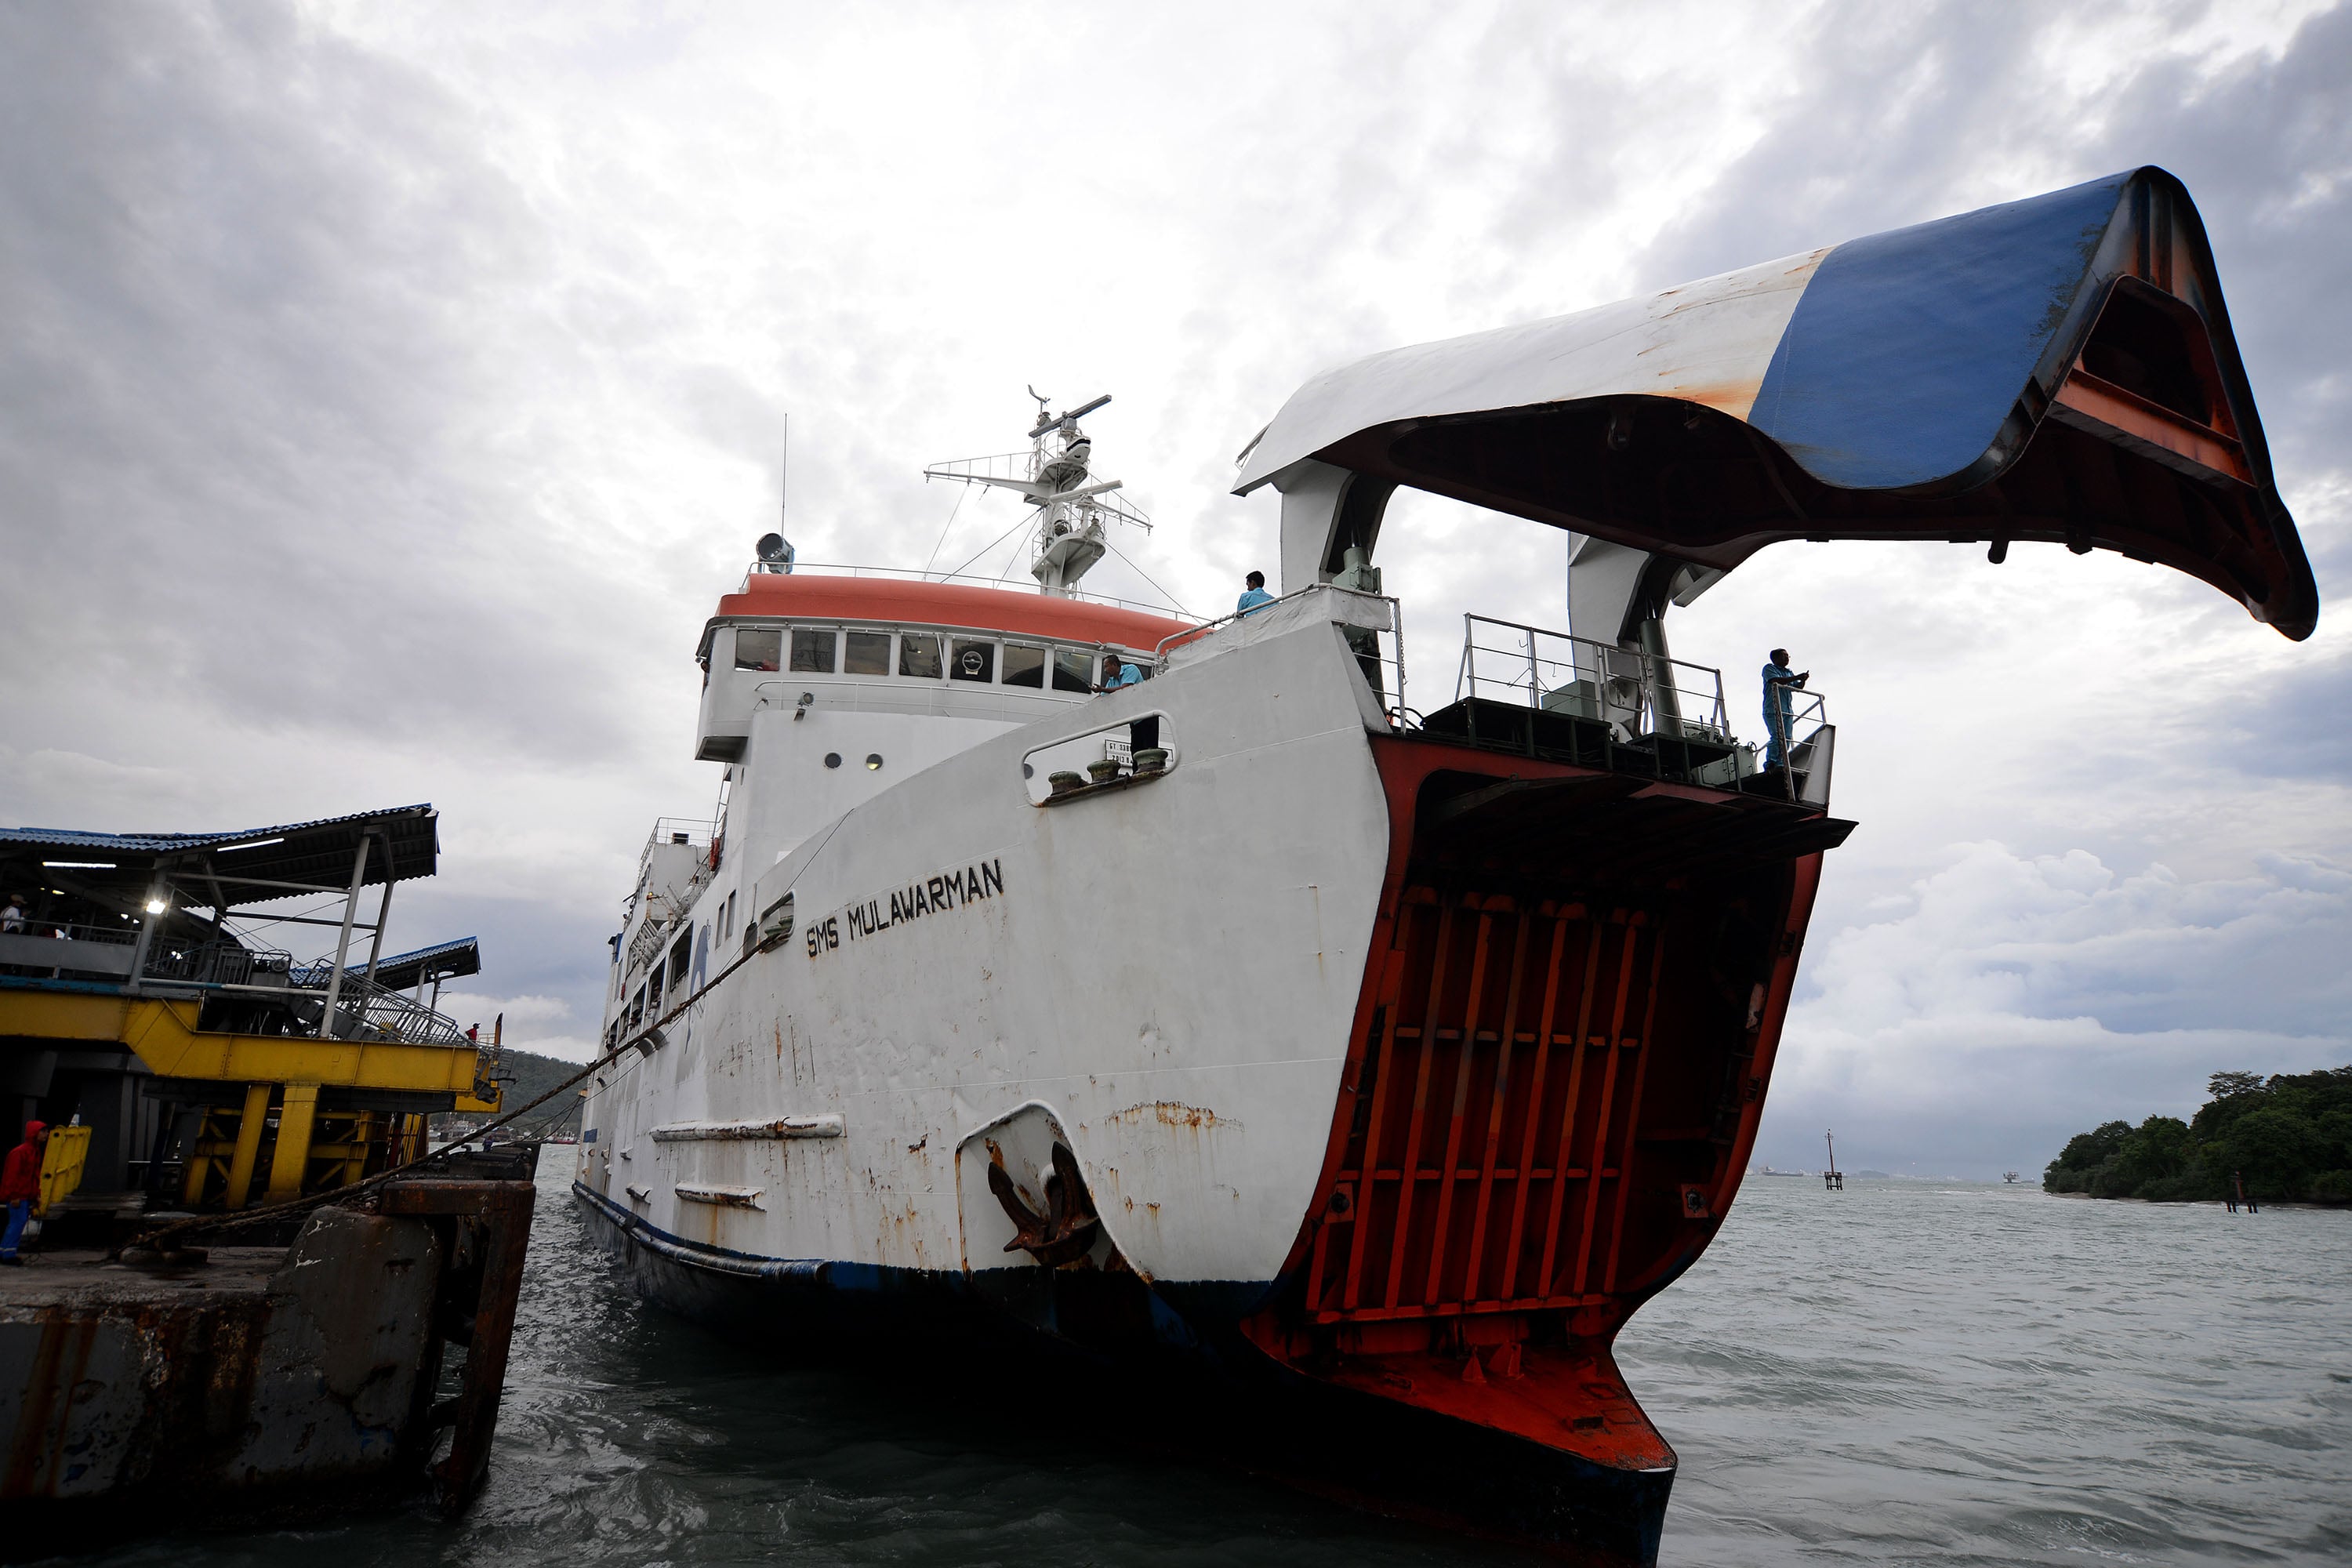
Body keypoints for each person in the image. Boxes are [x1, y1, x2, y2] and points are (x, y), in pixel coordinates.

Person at [2, 1121, 48, 1265]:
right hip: (19, 1196)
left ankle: (6, 1252)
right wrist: (14, 1196)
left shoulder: (33, 1151)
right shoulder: (21, 1152)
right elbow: (12, 1176)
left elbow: (34, 1176)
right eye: (43, 1131)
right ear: (35, 1133)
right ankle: (8, 1255)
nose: (47, 1134)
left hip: (25, 1196)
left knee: (17, 1223)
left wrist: (36, 1195)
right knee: (17, 1223)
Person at [1761, 648, 1809, 770]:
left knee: (1786, 737)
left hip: (1787, 710)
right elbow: (1774, 680)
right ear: (1775, 658)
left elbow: (1797, 687)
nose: (1787, 658)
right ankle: (1770, 762)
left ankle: (1781, 763)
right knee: (1777, 736)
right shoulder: (1769, 668)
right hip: (1773, 708)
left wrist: (1802, 680)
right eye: (1784, 656)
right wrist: (1797, 677)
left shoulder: (1788, 672)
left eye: (1788, 656)